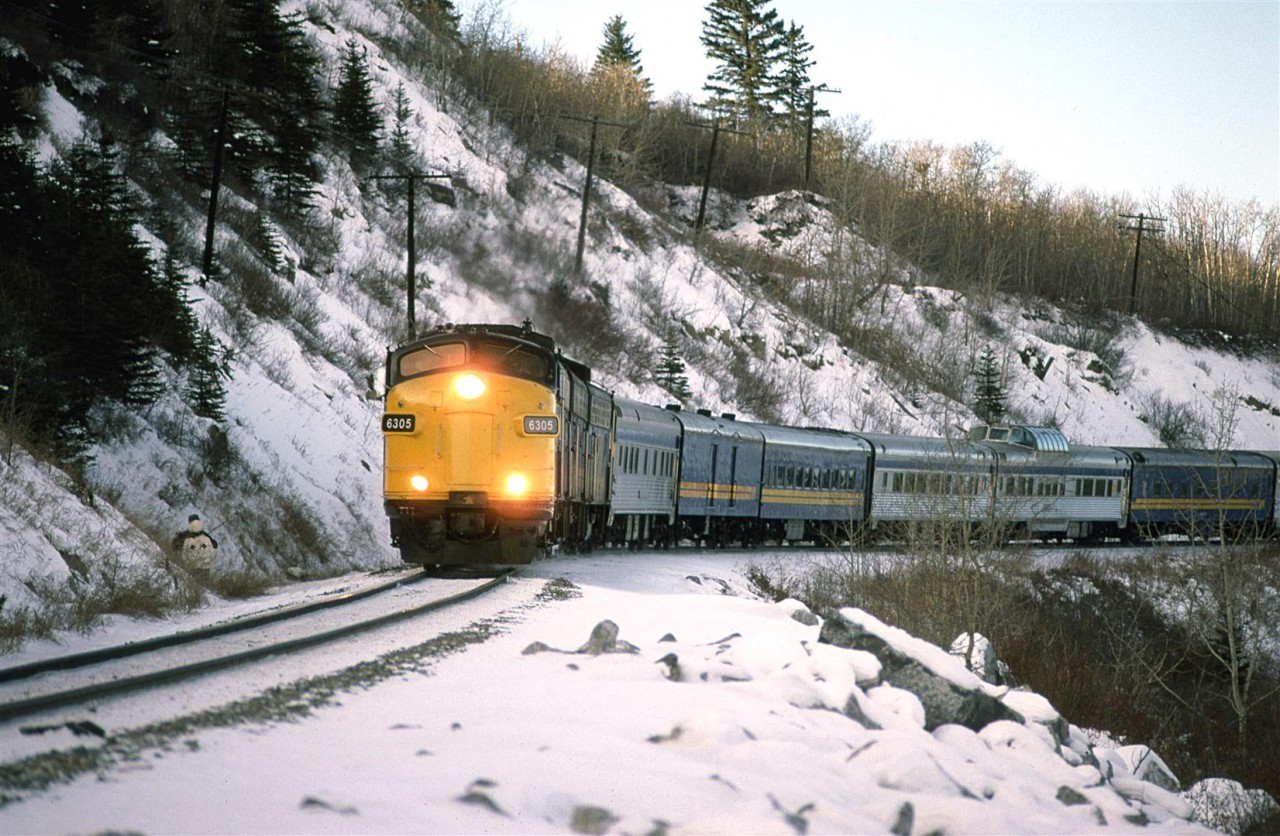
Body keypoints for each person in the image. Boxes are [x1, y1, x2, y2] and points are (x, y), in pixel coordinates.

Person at [172, 513, 218, 582]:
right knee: (203, 586)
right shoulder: (205, 535)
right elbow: (215, 545)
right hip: (205, 568)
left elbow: (175, 547)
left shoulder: (185, 535)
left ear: (190, 523)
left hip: (191, 566)